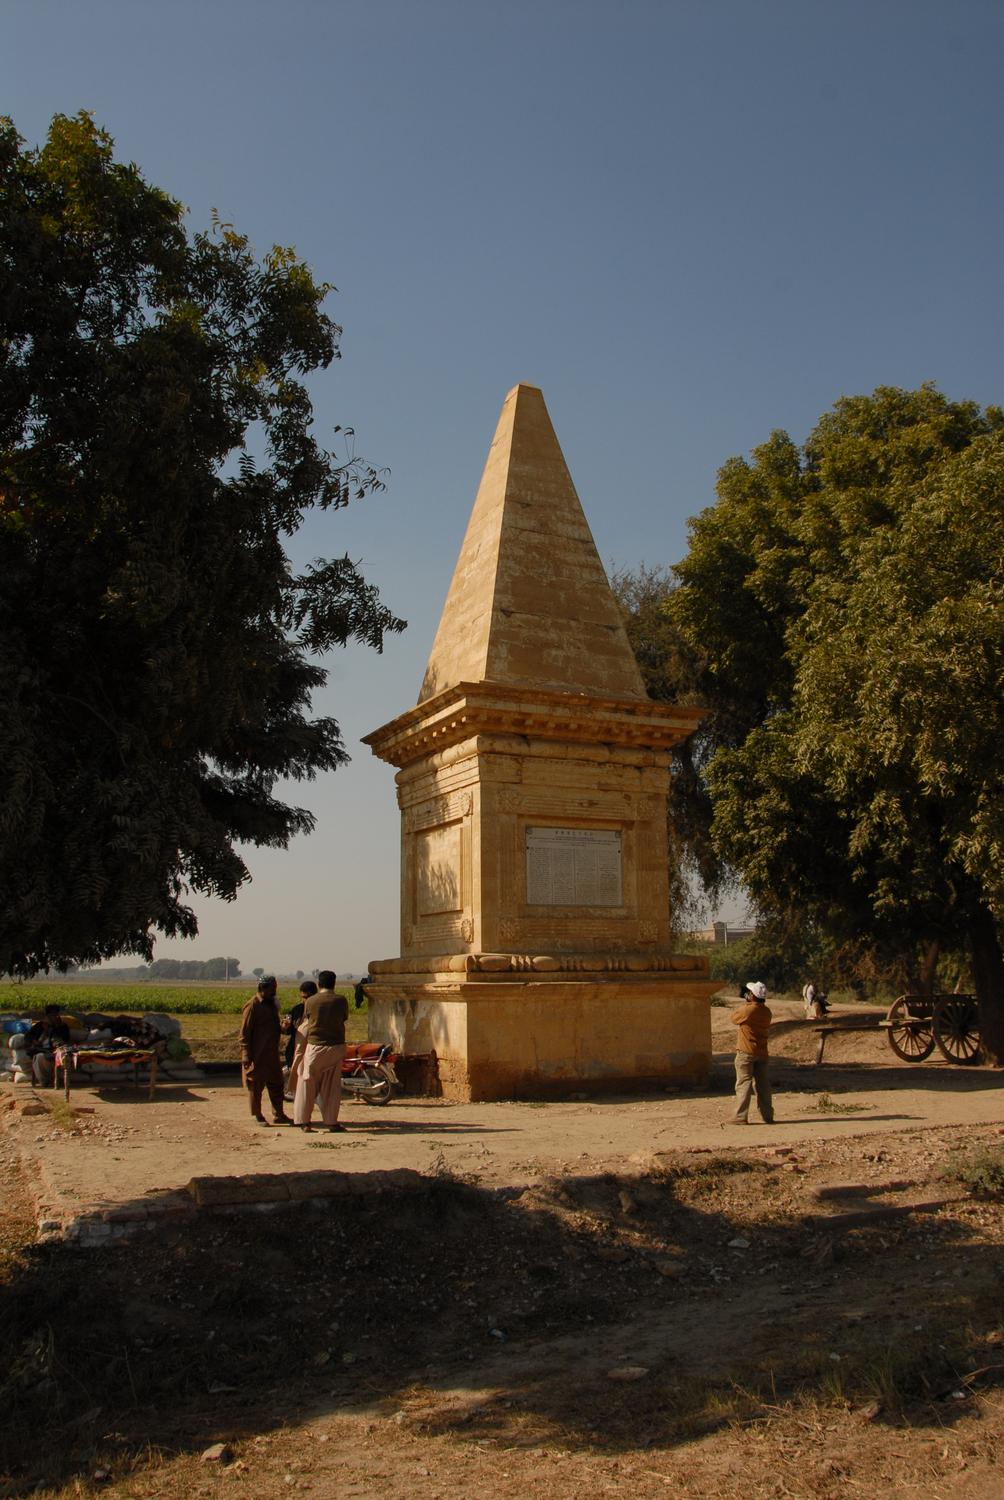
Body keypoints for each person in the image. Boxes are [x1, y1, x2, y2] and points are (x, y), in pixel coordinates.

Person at [293, 969, 349, 1133]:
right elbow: (344, 1018)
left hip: (315, 1047)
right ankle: (331, 1122)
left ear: (319, 984)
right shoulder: (341, 1000)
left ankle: (304, 1121)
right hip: (336, 1046)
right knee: (332, 1087)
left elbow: (308, 1019)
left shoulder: (311, 1001)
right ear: (334, 983)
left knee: (307, 1084)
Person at [239, 975, 292, 1126]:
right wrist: (245, 1054)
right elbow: (244, 1033)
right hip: (257, 1054)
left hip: (271, 1053)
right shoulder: (252, 1006)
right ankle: (257, 1115)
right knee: (255, 1086)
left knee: (276, 1084)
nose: (274, 991)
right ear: (263, 988)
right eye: (272, 988)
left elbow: (275, 1027)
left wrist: (284, 1027)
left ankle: (278, 1114)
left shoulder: (272, 1005)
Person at [730, 980, 774, 1125]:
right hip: (762, 1052)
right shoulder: (766, 1011)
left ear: (752, 995)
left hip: (746, 1051)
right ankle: (767, 1115)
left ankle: (740, 1116)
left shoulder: (748, 1010)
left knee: (744, 1083)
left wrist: (747, 1003)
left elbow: (734, 1018)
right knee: (763, 1085)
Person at [282, 979, 316, 1100]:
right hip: (295, 1047)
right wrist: (285, 1027)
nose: (304, 1000)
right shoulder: (297, 1009)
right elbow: (288, 1029)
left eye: (307, 997)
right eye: (303, 997)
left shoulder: (319, 1010)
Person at [26, 1005, 70, 1087]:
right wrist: (34, 1041)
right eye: (51, 1015)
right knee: (40, 1057)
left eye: (55, 1015)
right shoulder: (39, 1026)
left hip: (54, 1050)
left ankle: (54, 1079)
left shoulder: (62, 1027)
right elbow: (28, 1036)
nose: (54, 1017)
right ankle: (45, 1081)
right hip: (40, 1049)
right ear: (47, 1016)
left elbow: (65, 1039)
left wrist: (57, 1027)